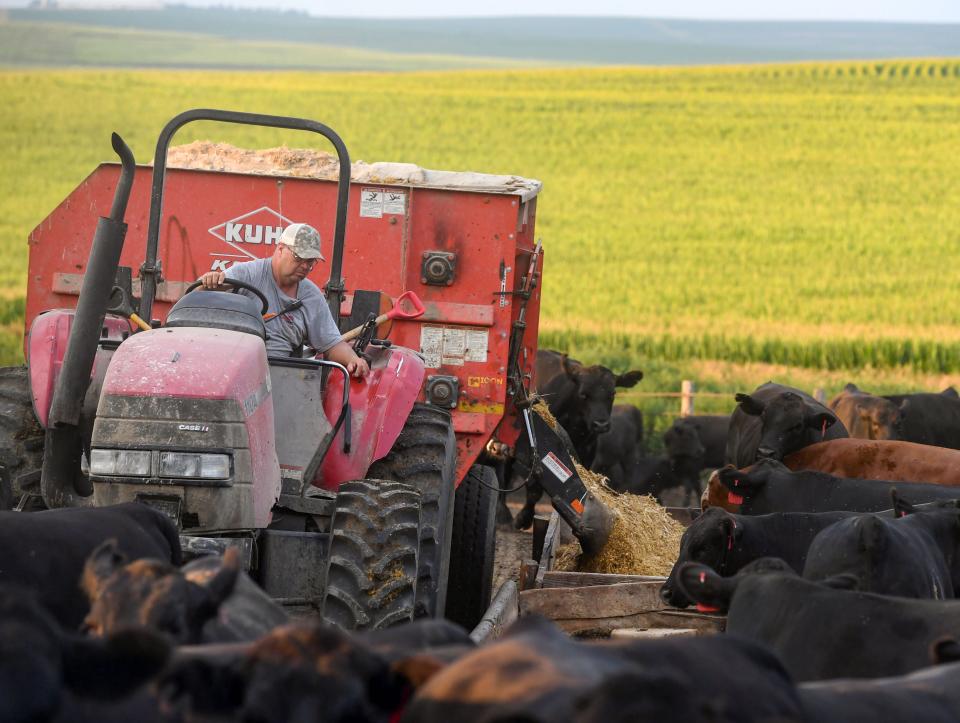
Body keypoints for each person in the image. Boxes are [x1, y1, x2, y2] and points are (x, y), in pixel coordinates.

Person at [198, 222, 369, 378]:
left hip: (279, 377)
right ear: (280, 249)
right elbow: (197, 298)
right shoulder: (248, 274)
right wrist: (209, 282)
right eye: (298, 258)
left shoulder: (311, 296)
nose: (305, 266)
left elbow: (331, 343)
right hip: (233, 370)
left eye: (310, 261)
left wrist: (353, 360)